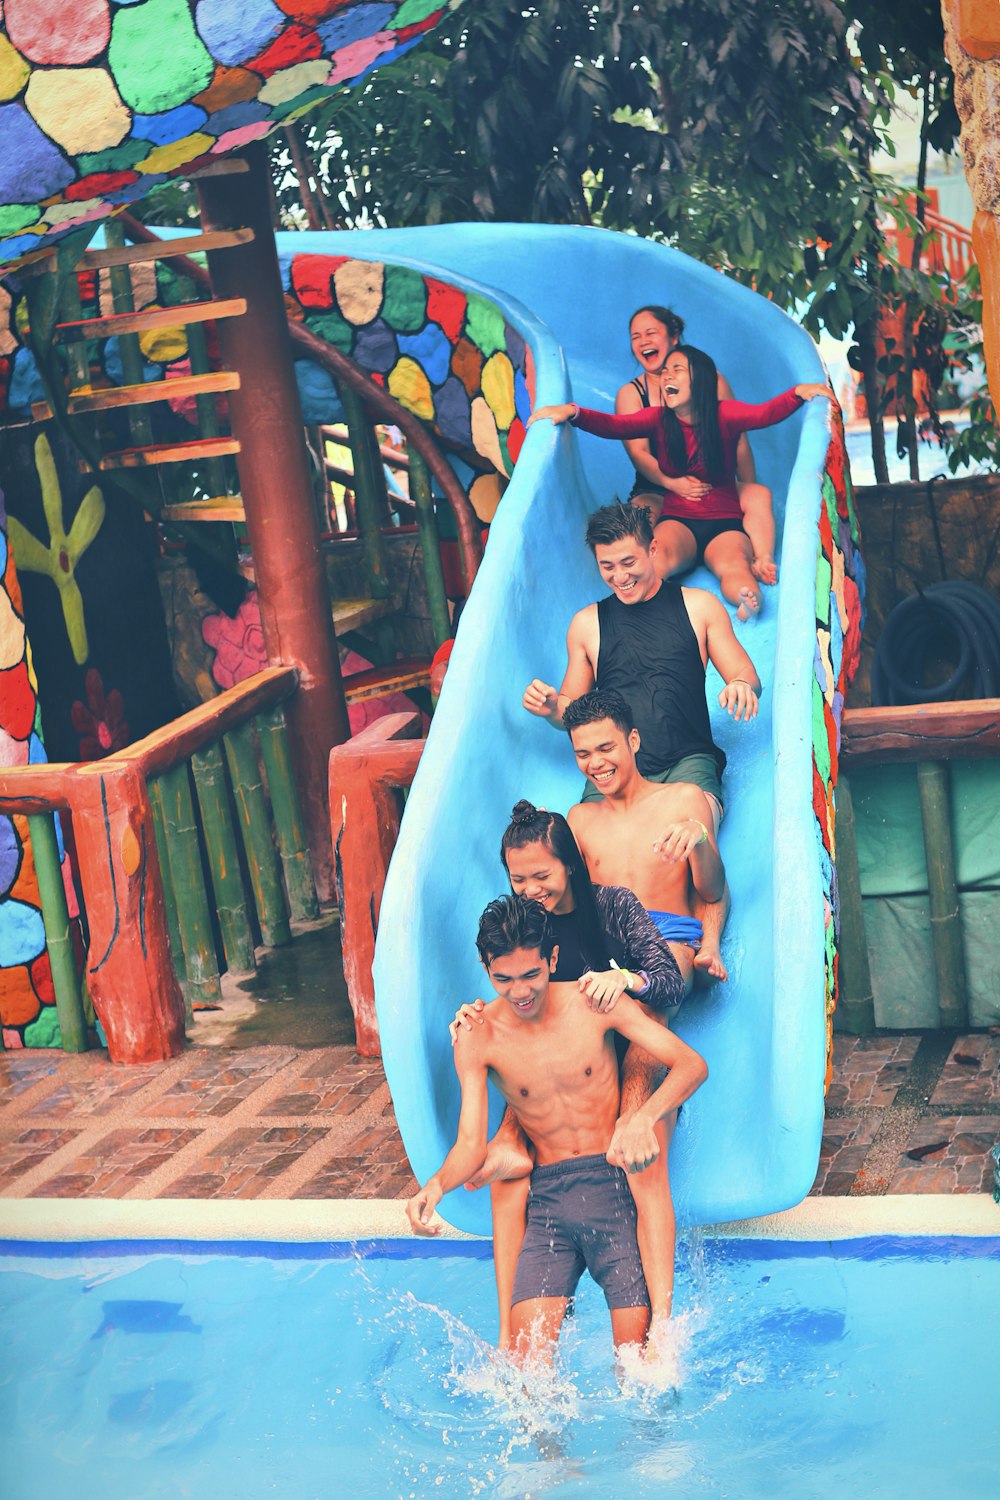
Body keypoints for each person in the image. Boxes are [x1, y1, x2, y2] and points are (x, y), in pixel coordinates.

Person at [407, 895, 708, 1363]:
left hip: (615, 1193)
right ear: (486, 969)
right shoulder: (476, 1036)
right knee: (527, 1369)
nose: (520, 991)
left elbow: (691, 1065)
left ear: (551, 959)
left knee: (639, 1369)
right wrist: (436, 1186)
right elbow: (470, 1143)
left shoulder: (593, 1003)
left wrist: (643, 1117)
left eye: (531, 975)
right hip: (549, 1203)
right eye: (503, 979)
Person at [450, 800, 687, 1345]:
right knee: (507, 1172)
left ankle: (664, 1326)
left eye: (541, 875)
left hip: (631, 1047)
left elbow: (669, 985)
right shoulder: (520, 935)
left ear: (570, 866)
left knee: (637, 1130)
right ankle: (511, 1334)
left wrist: (625, 980)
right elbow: (516, 1011)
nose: (530, 888)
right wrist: (475, 1015)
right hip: (562, 1066)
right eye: (518, 879)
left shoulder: (611, 906)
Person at [522, 499, 757, 974]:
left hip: (686, 759)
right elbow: (573, 708)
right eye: (607, 567)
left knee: (694, 838)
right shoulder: (587, 624)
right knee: (586, 861)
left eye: (629, 562)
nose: (619, 576)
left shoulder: (699, 607)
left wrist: (739, 686)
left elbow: (745, 672)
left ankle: (708, 941)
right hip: (616, 765)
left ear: (653, 549)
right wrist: (552, 710)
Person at [530, 346, 834, 618]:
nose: (666, 376)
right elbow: (615, 426)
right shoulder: (658, 418)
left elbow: (765, 413)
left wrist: (798, 392)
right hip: (679, 520)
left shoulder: (724, 414)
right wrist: (572, 412)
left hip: (725, 522)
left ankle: (745, 597)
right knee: (655, 558)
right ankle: (638, 614)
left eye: (677, 369)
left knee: (735, 567)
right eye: (665, 371)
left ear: (700, 380)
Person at [563, 688, 726, 995]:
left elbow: (713, 890)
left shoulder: (683, 799)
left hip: (666, 937)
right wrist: (545, 849)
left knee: (649, 1011)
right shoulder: (580, 818)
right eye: (583, 754)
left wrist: (700, 840)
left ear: (633, 741)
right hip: (606, 942)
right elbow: (570, 900)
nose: (595, 763)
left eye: (605, 748)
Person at [619, 305, 775, 584]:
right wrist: (674, 484)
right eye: (635, 336)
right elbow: (638, 453)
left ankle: (760, 560)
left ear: (674, 336)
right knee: (637, 521)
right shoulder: (632, 394)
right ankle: (642, 581)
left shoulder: (711, 382)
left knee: (757, 494)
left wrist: (743, 492)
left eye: (651, 333)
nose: (643, 341)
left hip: (714, 483)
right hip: (658, 488)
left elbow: (738, 441)